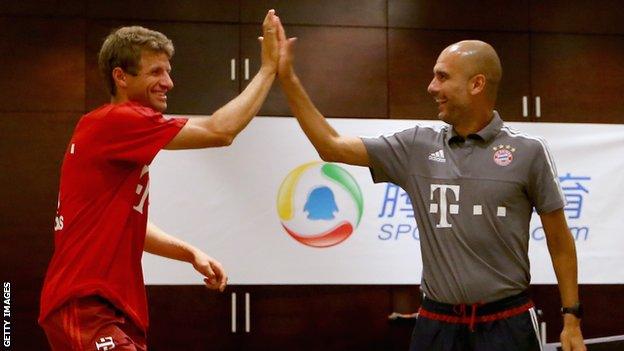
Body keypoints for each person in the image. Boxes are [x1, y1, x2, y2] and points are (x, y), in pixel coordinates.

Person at [275, 19, 586, 351]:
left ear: (477, 84)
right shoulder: (416, 146)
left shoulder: (529, 152)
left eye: (442, 76)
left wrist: (571, 320)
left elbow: (560, 241)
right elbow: (331, 145)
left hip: (508, 324)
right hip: (437, 326)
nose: (431, 87)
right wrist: (288, 78)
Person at [39, 10, 282, 350]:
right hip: (87, 303)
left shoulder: (109, 130)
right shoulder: (119, 120)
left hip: (101, 307)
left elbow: (129, 225)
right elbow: (220, 130)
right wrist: (269, 69)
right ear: (121, 77)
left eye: (168, 71)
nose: (168, 82)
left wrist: (190, 253)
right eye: (156, 71)